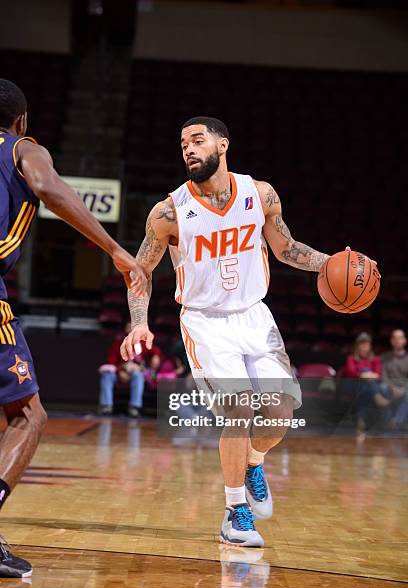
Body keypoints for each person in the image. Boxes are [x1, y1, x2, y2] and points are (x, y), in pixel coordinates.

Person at [120, 116, 356, 547]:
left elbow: (286, 248)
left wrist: (332, 263)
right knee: (240, 409)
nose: (188, 149)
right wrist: (139, 322)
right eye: (182, 143)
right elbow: (141, 270)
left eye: (197, 140)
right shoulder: (168, 212)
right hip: (205, 321)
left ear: (222, 144)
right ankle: (235, 513)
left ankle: (252, 463)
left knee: (281, 411)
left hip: (253, 315)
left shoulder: (259, 194)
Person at [0, 79, 146, 577]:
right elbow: (47, 187)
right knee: (28, 416)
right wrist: (114, 249)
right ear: (22, 120)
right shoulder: (22, 147)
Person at [98, 322, 162, 416]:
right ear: (125, 329)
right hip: (119, 373)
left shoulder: (143, 344)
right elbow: (111, 362)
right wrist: (120, 370)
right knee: (107, 375)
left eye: (134, 327)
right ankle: (106, 406)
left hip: (135, 374)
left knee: (138, 376)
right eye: (129, 327)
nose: (131, 330)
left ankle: (134, 407)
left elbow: (155, 350)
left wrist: (156, 356)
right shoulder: (118, 343)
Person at [343, 332, 389, 432]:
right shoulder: (351, 358)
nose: (365, 347)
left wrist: (366, 375)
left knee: (364, 389)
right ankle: (377, 396)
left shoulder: (375, 359)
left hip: (367, 387)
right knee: (365, 375)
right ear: (357, 346)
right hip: (352, 384)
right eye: (362, 344)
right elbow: (351, 373)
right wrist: (364, 374)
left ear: (370, 346)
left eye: (367, 344)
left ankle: (360, 419)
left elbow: (378, 374)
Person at [382, 329, 408, 429]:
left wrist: (403, 389)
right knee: (382, 388)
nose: (397, 340)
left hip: (405, 387)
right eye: (395, 338)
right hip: (389, 386)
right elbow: (383, 376)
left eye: (400, 338)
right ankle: (387, 421)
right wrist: (392, 387)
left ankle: (396, 422)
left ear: (404, 340)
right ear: (391, 341)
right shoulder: (384, 357)